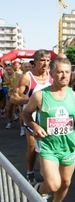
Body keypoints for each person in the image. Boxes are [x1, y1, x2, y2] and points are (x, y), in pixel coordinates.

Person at [22, 57, 75, 202]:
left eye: (67, 72)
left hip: (68, 147)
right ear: (52, 73)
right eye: (59, 72)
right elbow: (26, 113)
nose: (63, 76)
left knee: (66, 183)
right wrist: (34, 126)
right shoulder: (40, 96)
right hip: (48, 147)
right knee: (54, 185)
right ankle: (39, 188)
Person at [11, 49, 53, 186]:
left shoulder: (52, 76)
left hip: (49, 119)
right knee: (32, 147)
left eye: (47, 60)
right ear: (35, 61)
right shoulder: (27, 77)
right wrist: (30, 101)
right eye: (42, 60)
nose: (45, 63)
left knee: (49, 148)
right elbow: (14, 98)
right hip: (31, 117)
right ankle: (30, 172)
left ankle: (49, 178)